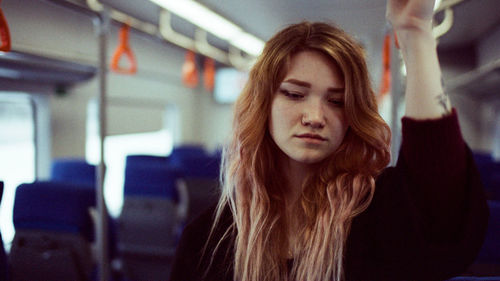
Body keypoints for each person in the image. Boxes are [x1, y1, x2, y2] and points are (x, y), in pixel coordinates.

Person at [170, 0, 489, 280]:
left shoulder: (380, 214)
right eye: (294, 94)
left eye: (337, 101)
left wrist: (415, 32)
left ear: (353, 116)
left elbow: (441, 205)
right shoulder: (207, 241)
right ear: (264, 105)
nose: (314, 116)